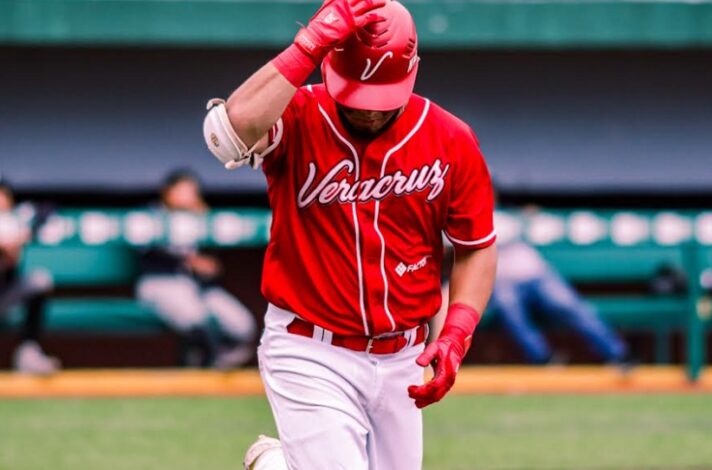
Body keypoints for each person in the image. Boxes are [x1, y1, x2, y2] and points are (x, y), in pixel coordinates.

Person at [202, 1, 497, 468]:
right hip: (309, 349)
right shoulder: (299, 113)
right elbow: (227, 135)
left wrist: (457, 334)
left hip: (404, 355)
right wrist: (307, 47)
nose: (371, 113)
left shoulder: (450, 138)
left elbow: (476, 246)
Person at [135, 170, 257, 368]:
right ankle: (194, 376)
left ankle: (214, 370)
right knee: (198, 323)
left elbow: (211, 263)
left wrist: (205, 226)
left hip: (196, 288)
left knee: (242, 327)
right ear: (167, 192)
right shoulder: (150, 215)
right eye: (182, 192)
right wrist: (187, 261)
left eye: (192, 192)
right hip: (161, 283)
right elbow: (149, 253)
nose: (188, 197)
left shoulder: (199, 218)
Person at [489, 210, 629, 366]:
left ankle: (616, 355)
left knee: (568, 304)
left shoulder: (509, 215)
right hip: (502, 281)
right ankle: (544, 359)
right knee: (508, 308)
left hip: (537, 276)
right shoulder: (468, 215)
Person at [0, 179, 60, 374]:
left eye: (3, 196)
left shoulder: (15, 220)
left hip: (5, 294)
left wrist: (25, 233)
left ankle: (28, 354)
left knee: (39, 281)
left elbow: (47, 210)